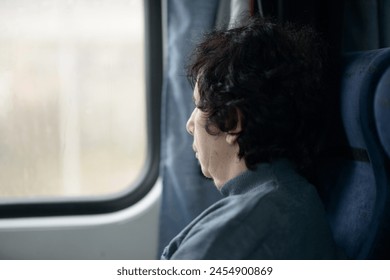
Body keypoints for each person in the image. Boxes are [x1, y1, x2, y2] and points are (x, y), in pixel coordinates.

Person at [161, 16, 344, 259]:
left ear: (233, 123)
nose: (189, 125)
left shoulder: (247, 222)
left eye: (199, 106)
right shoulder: (291, 195)